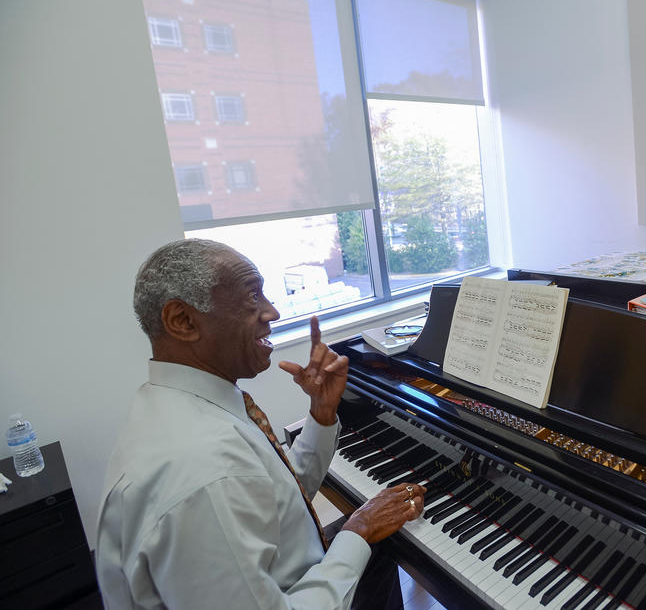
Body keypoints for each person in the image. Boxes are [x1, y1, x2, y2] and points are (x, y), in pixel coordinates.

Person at [96, 238, 426, 608]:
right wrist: (360, 528)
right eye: (253, 297)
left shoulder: (173, 405)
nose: (273, 312)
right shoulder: (205, 472)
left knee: (379, 550)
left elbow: (275, 501)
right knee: (372, 543)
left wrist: (320, 414)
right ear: (183, 321)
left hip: (280, 576)